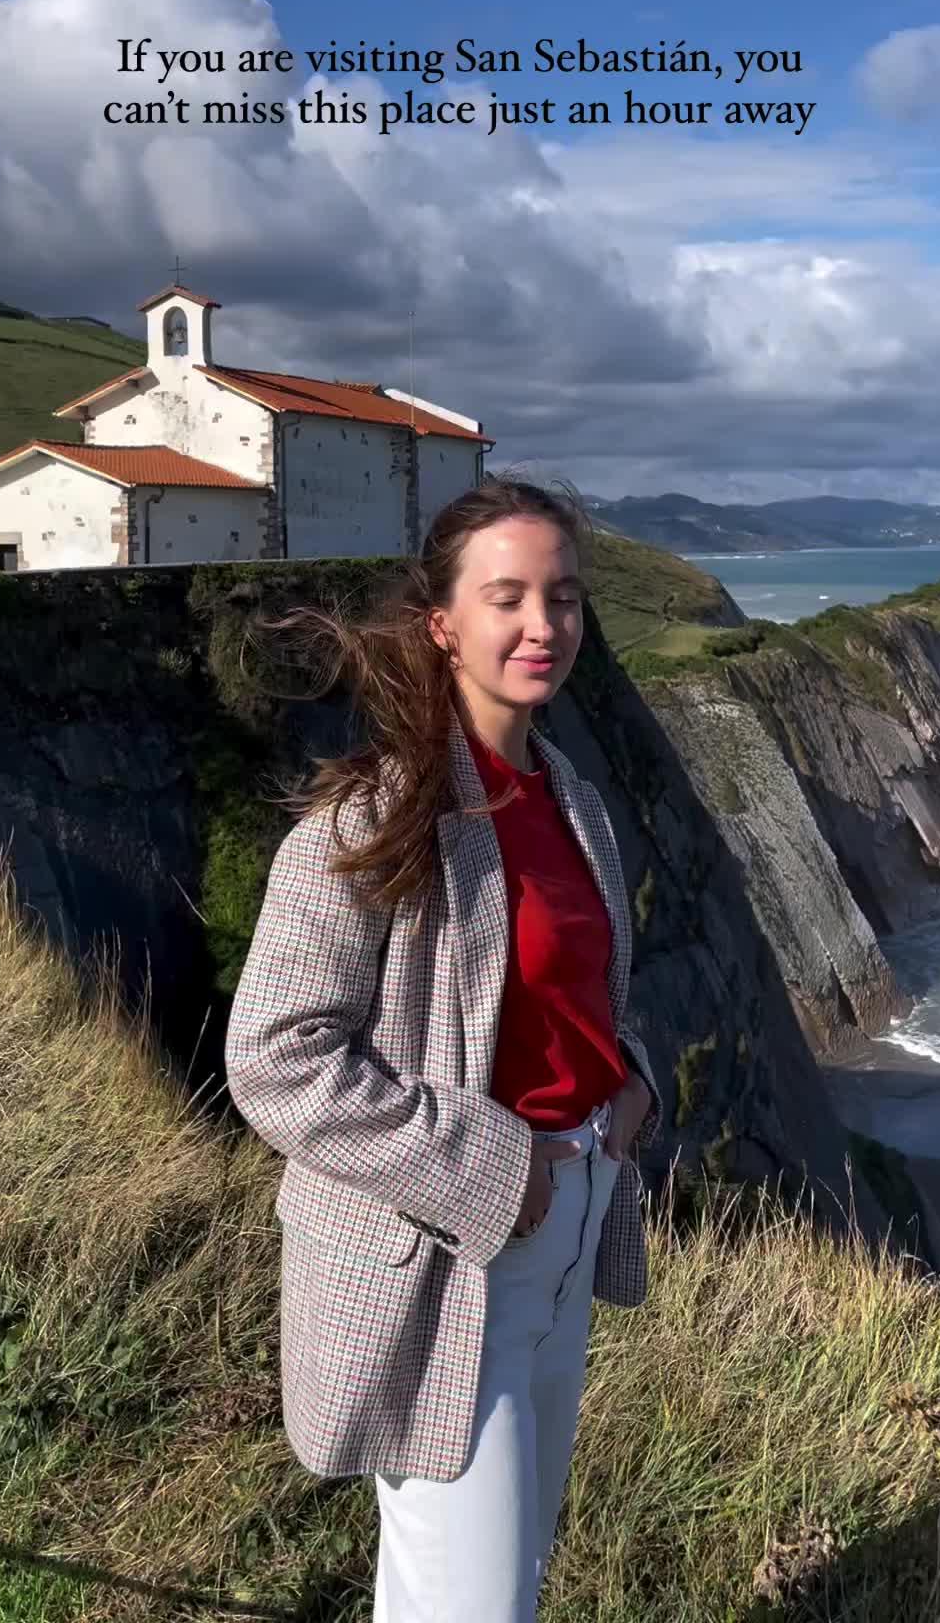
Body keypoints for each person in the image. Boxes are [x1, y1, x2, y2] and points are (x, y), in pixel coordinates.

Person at [224, 472, 663, 1621]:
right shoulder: (372, 819)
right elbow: (275, 1056)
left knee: (487, 1578)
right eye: (507, 596)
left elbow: (581, 997)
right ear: (442, 624)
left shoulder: (570, 797)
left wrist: (633, 1088)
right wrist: (494, 1168)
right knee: (471, 1603)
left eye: (562, 598)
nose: (542, 626)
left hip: (565, 1222)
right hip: (445, 1251)